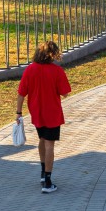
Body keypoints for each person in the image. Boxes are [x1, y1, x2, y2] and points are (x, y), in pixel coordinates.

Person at [16, 39, 72, 194]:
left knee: (42, 139)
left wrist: (18, 112)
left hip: (36, 113)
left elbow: (21, 93)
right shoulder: (56, 71)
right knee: (49, 144)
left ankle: (42, 172)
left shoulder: (30, 70)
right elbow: (65, 92)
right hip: (52, 113)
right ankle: (47, 181)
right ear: (52, 55)